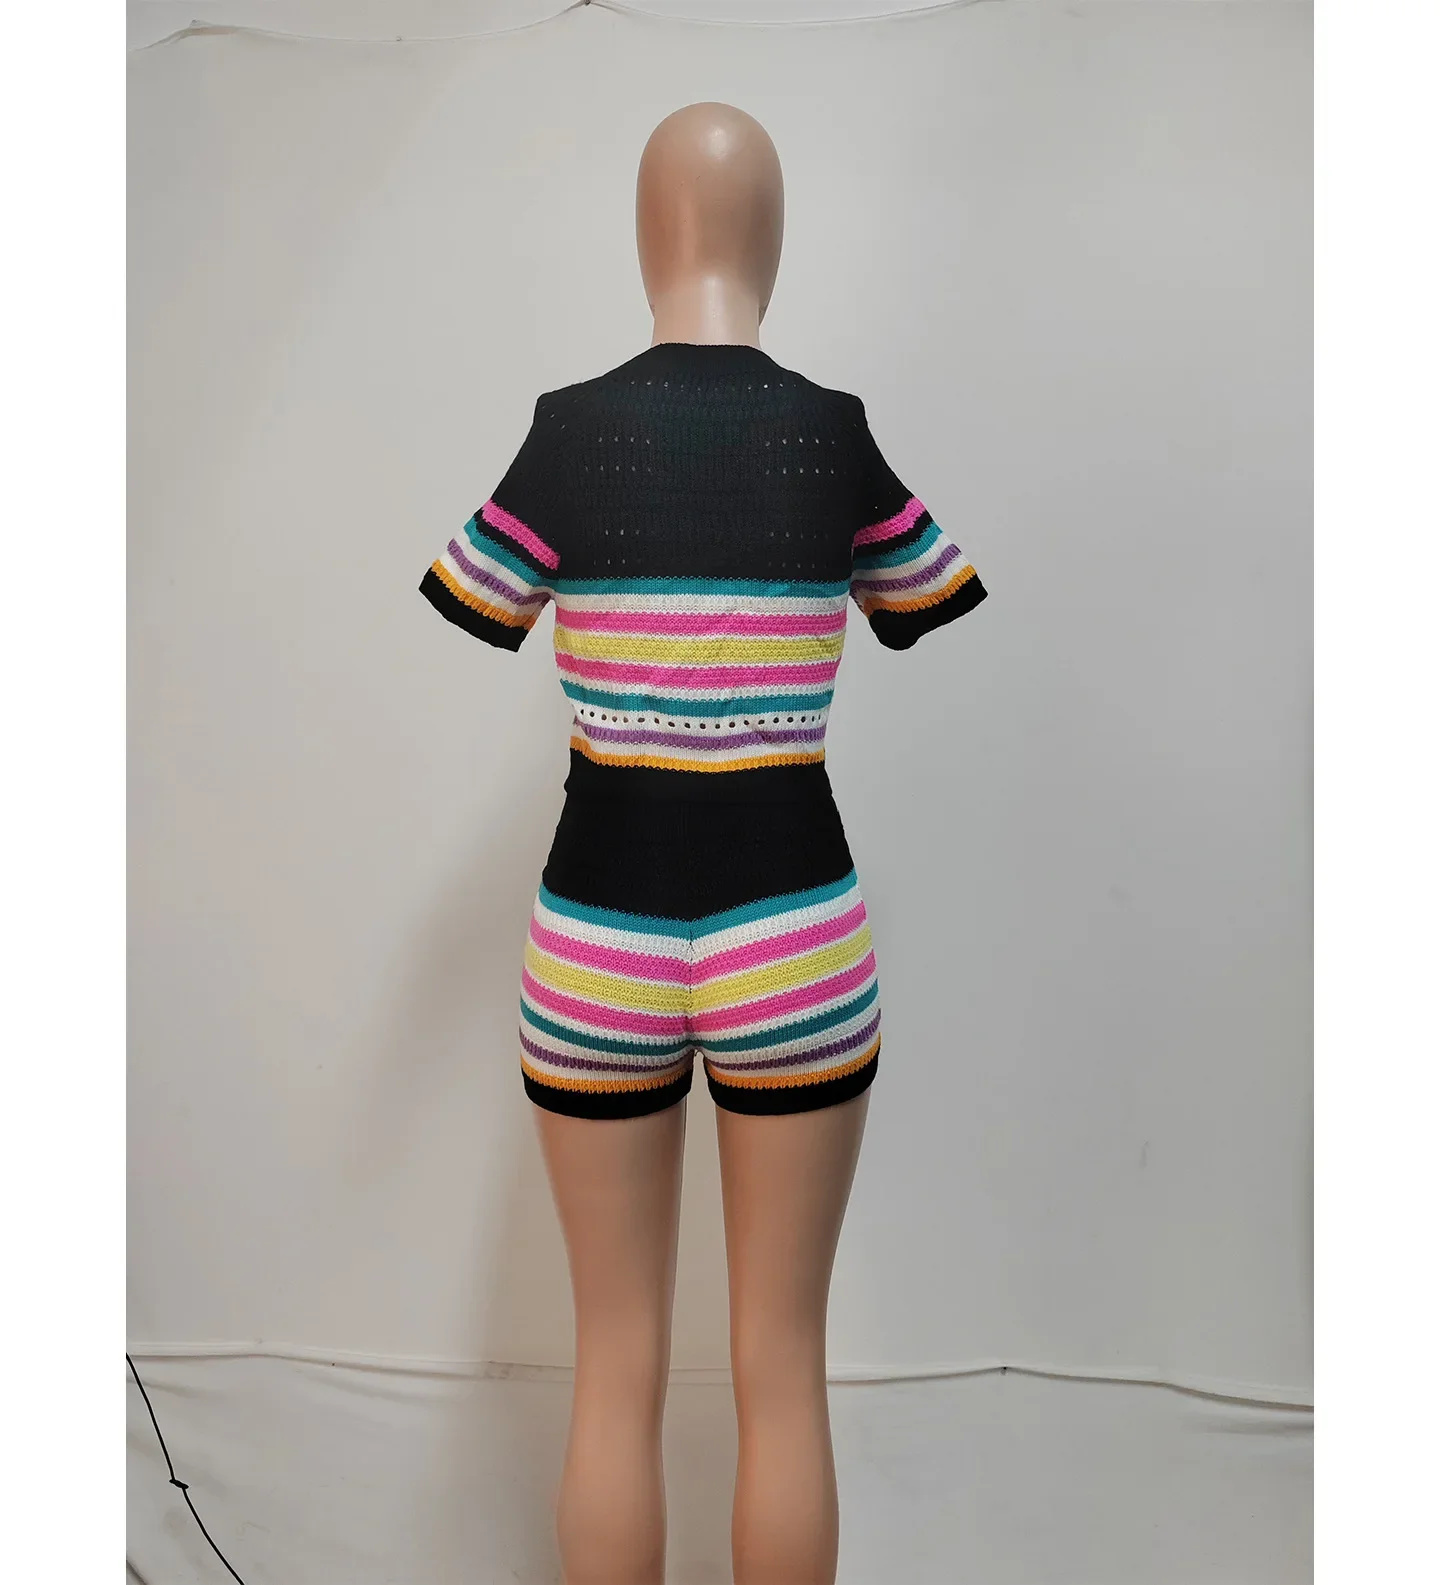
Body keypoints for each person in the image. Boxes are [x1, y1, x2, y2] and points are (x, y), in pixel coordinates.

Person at [420, 102, 988, 1585]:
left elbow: (480, 597)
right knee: (781, 1369)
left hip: (596, 936)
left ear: (644, 235)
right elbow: (922, 595)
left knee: (611, 1364)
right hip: (795, 929)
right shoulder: (834, 433)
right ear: (772, 239)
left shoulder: (567, 431)